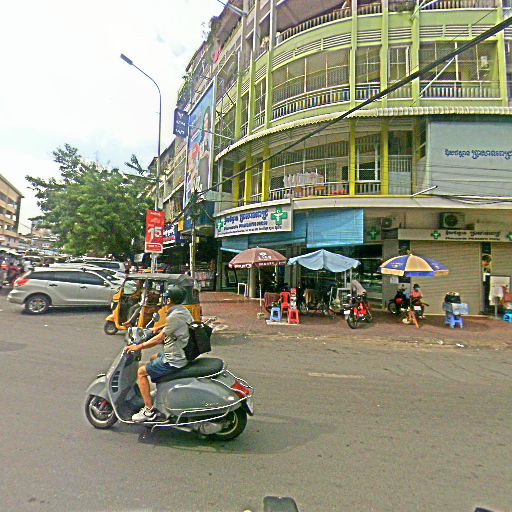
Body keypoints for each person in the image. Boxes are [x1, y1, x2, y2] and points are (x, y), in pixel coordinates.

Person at [125, 286, 194, 422]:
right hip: (181, 354)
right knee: (154, 357)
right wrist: (157, 328)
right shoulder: (183, 311)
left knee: (141, 372)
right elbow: (175, 326)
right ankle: (161, 390)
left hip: (174, 360)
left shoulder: (174, 316)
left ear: (169, 300)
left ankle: (148, 411)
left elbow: (158, 339)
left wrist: (138, 346)